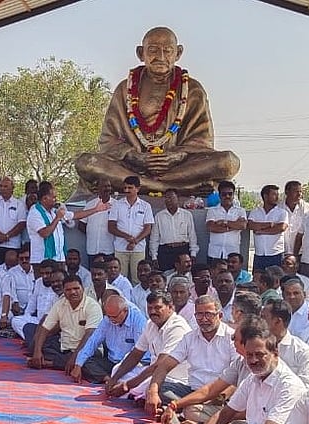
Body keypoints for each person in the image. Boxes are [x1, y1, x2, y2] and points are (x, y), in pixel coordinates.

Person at [74, 26, 239, 192]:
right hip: (131, 166)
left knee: (228, 162)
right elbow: (108, 140)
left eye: (167, 51)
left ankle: (142, 185)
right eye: (153, 50)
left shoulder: (191, 89)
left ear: (178, 53)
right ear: (140, 53)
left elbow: (201, 141)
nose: (160, 57)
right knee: (86, 163)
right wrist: (135, 156)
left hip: (178, 167)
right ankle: (173, 188)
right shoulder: (126, 89)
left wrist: (177, 156)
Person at [184, 324, 307, 424]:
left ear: (275, 353)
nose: (254, 360)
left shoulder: (289, 385)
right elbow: (225, 414)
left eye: (260, 355)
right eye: (249, 355)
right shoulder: (253, 378)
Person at [143, 295, 236, 423]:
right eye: (199, 315)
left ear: (219, 315)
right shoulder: (190, 338)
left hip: (219, 395)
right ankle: (183, 411)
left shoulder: (231, 337)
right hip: (193, 391)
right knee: (156, 388)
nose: (203, 319)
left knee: (193, 410)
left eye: (208, 315)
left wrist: (219, 397)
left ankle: (182, 412)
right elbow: (164, 366)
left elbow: (237, 376)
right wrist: (153, 392)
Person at [27, 275, 101, 371]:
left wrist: (75, 358)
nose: (73, 292)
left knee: (86, 361)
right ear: (64, 291)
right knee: (35, 344)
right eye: (68, 290)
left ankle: (49, 363)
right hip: (64, 348)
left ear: (82, 289)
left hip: (86, 350)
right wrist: (37, 351)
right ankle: (52, 361)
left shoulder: (92, 306)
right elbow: (45, 328)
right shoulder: (59, 304)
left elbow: (90, 336)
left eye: (76, 288)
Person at [71, 294, 148, 384]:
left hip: (130, 365)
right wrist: (78, 364)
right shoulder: (107, 319)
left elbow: (140, 355)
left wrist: (121, 370)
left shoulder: (139, 321)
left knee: (138, 374)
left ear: (125, 311)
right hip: (111, 361)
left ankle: (113, 379)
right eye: (109, 316)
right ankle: (108, 379)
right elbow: (93, 341)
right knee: (85, 362)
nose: (112, 320)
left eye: (114, 317)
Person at [28, 183, 109, 263]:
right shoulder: (35, 212)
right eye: (54, 198)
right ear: (45, 198)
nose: (56, 200)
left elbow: (75, 215)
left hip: (59, 258)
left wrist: (96, 209)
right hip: (43, 260)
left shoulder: (53, 211)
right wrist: (57, 218)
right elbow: (44, 233)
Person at [107, 176, 155, 283]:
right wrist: (127, 237)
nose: (127, 190)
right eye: (125, 188)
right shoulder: (117, 205)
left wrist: (135, 241)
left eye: (130, 188)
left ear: (137, 189)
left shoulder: (145, 206)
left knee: (138, 279)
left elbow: (148, 228)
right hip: (120, 247)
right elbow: (111, 227)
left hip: (138, 248)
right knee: (119, 279)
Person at [261, 299, 309, 390]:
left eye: (263, 317)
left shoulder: (301, 351)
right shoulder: (257, 347)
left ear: (277, 321)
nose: (259, 321)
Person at [0, 176, 27, 264]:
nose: (2, 189)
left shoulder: (19, 204)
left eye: (5, 186)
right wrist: (0, 235)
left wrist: (7, 236)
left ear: (12, 188)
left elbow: (21, 224)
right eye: (1, 186)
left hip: (13, 245)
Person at [247, 184, 288, 269]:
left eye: (278, 195)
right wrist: (270, 224)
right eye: (274, 195)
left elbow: (281, 228)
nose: (277, 197)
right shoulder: (255, 212)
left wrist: (261, 231)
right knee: (258, 279)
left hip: (275, 254)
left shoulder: (282, 212)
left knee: (275, 280)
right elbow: (251, 225)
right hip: (259, 254)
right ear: (265, 196)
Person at [206, 180, 247, 261]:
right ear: (220, 195)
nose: (227, 196)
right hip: (215, 252)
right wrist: (233, 226)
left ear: (233, 195)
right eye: (224, 194)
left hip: (232, 253)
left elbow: (242, 225)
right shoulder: (212, 210)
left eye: (230, 194)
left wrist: (224, 222)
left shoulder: (240, 211)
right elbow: (211, 227)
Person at [80, 182, 116, 264]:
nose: (107, 188)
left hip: (109, 249)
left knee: (108, 274)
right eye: (104, 186)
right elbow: (81, 224)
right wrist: (92, 233)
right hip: (92, 248)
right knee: (94, 274)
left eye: (109, 186)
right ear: (98, 189)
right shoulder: (90, 205)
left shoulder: (116, 205)